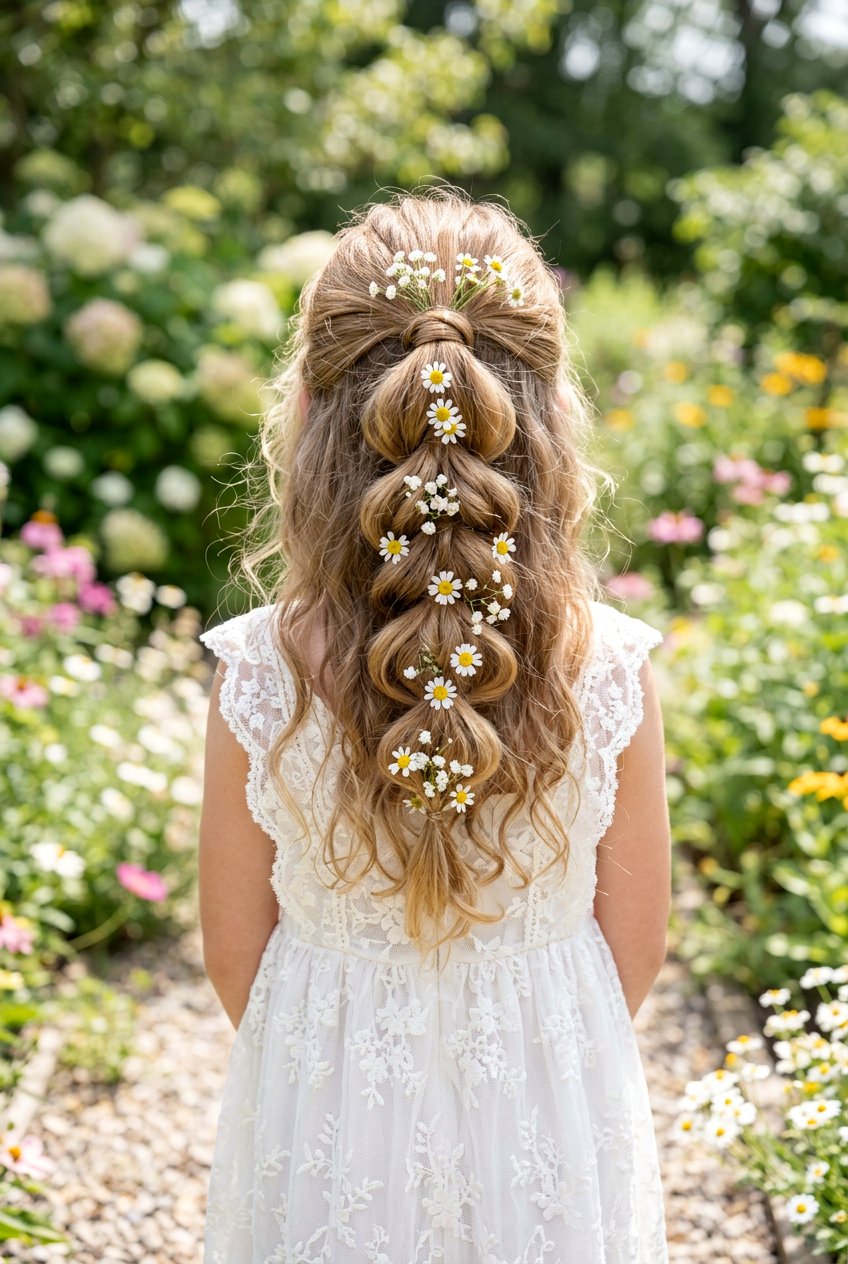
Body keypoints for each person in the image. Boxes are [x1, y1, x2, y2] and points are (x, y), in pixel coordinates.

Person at [198, 185, 672, 1263]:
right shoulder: (605, 669)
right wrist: (537, 1060)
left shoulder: (261, 671)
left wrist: (337, 1065)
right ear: (542, 419)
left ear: (314, 417)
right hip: (545, 1106)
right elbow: (632, 949)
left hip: (324, 1107)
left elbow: (236, 956)